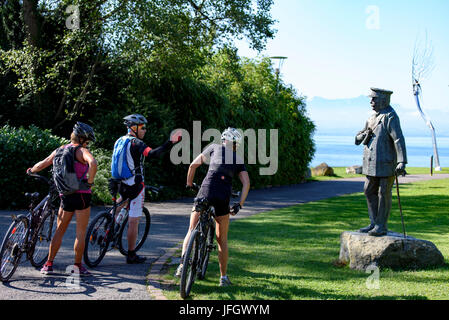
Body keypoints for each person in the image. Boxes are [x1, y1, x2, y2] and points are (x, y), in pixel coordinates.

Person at [176, 127, 250, 287]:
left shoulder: (213, 147)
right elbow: (246, 183)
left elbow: (192, 166)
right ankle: (223, 278)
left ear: (223, 139)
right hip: (223, 196)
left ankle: (182, 265)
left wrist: (189, 184)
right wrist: (239, 204)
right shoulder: (237, 159)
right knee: (221, 239)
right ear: (236, 143)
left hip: (206, 190)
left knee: (191, 229)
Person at [28, 122, 98, 276]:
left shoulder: (60, 149)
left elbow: (44, 163)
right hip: (81, 195)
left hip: (65, 194)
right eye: (87, 140)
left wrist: (31, 170)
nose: (87, 143)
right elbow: (93, 163)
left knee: (59, 230)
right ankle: (77, 266)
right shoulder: (81, 151)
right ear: (82, 139)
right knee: (80, 232)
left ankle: (48, 264)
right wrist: (90, 182)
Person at [113, 114, 182, 264]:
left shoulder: (119, 140)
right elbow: (153, 154)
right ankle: (131, 254)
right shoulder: (137, 143)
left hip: (120, 182)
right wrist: (170, 142)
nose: (145, 130)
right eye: (142, 127)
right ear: (134, 128)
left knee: (120, 203)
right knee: (134, 221)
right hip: (135, 185)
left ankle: (108, 228)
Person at [355, 88, 407, 236]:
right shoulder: (371, 118)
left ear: (384, 100)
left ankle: (381, 225)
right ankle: (374, 222)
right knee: (368, 190)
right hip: (372, 164)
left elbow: (398, 139)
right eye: (371, 99)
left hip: (386, 163)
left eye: (374, 99)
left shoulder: (390, 116)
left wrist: (401, 161)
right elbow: (358, 138)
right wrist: (363, 135)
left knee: (384, 193)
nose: (371, 102)